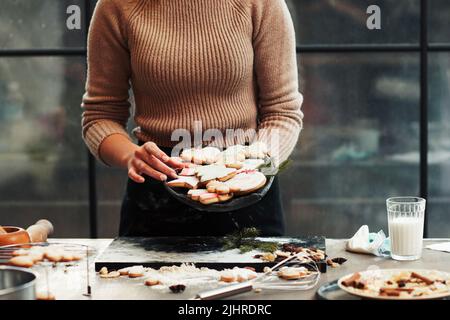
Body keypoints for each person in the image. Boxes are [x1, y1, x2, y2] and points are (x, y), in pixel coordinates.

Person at [81, 0, 303, 237]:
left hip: (247, 181)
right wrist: (130, 155)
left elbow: (282, 112)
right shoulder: (116, 6)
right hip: (158, 185)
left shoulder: (261, 4)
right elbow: (99, 117)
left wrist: (255, 164)